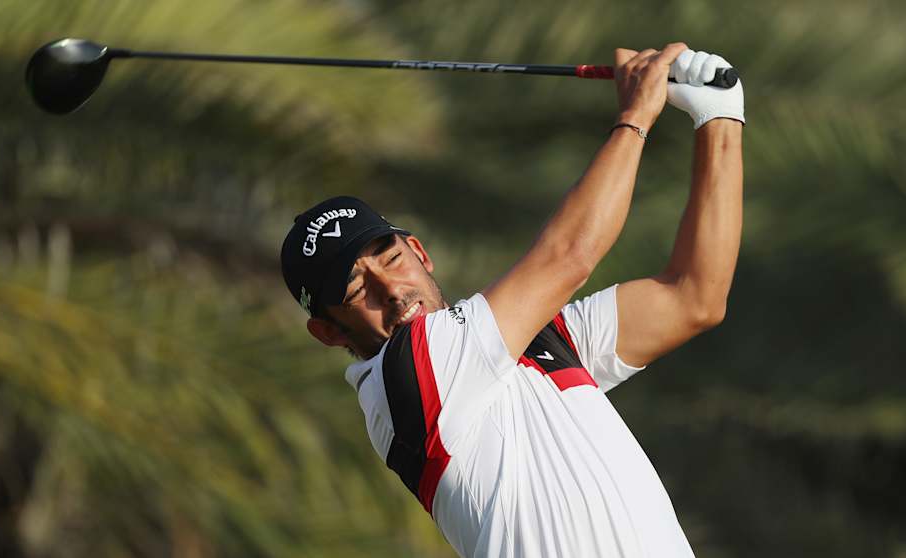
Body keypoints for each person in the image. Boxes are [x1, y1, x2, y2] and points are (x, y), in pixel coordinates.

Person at [280, 43, 744, 558]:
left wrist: (718, 115)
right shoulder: (404, 377)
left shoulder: (541, 341)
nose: (390, 289)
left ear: (419, 251)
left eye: (388, 258)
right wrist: (636, 116)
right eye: (354, 289)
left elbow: (694, 297)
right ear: (329, 331)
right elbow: (569, 256)